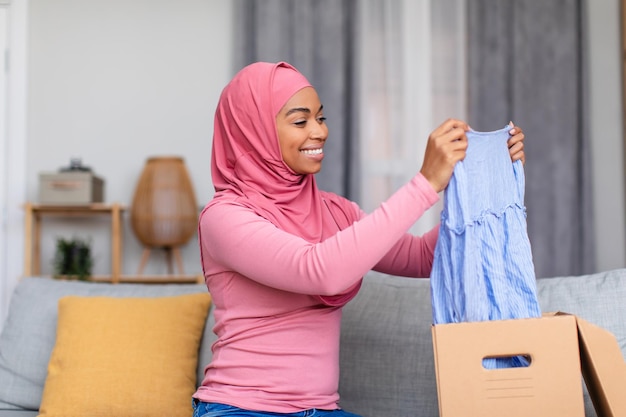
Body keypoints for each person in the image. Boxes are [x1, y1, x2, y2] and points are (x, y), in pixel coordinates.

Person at [192, 61, 525, 417]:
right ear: (252, 131)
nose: (319, 131)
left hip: (320, 411)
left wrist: (485, 181)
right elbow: (320, 271)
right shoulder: (223, 217)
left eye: (321, 118)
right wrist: (425, 183)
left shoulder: (334, 212)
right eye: (300, 121)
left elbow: (422, 257)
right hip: (239, 408)